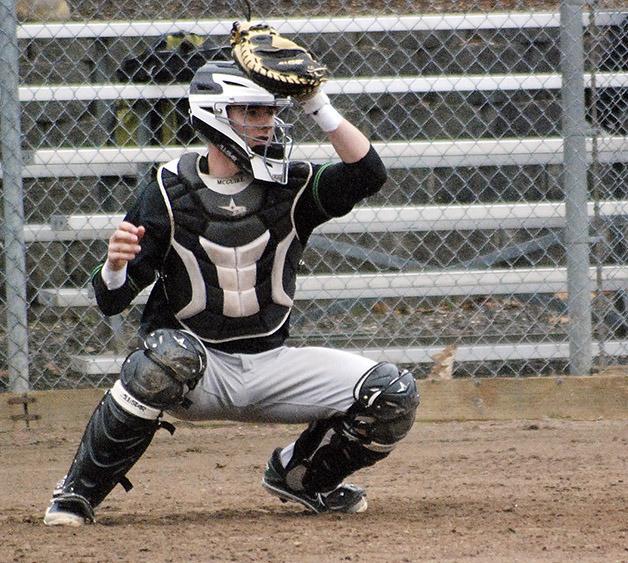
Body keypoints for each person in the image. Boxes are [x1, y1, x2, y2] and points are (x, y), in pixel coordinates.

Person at [43, 59, 419, 526]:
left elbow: (368, 173)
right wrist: (115, 266)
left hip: (270, 363)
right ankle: (77, 494)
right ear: (215, 115)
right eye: (252, 112)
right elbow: (110, 300)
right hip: (194, 369)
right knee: (161, 361)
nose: (267, 124)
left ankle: (301, 478)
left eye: (270, 112)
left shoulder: (292, 184)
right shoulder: (167, 188)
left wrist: (316, 104)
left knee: (392, 393)